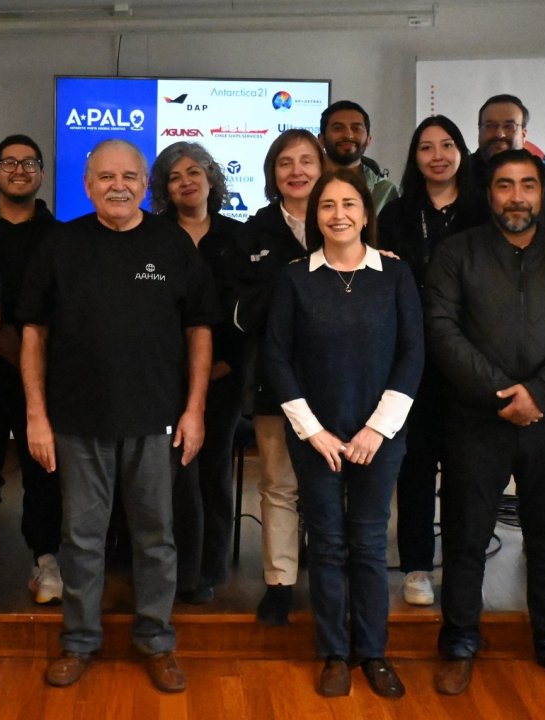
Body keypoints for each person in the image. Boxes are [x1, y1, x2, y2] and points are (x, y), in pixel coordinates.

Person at [20, 139, 217, 693]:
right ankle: (79, 641)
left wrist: (195, 409)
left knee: (156, 538)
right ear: (88, 186)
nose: (118, 186)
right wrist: (36, 415)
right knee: (81, 539)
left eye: (129, 176)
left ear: (144, 185)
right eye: (106, 177)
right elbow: (33, 332)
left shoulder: (172, 244)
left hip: (157, 421)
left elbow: (200, 329)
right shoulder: (61, 244)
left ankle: (156, 640)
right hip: (76, 421)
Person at [425, 149, 545, 696]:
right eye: (505, 185)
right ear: (489, 193)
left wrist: (541, 392)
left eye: (527, 185)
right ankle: (460, 642)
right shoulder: (457, 253)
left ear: (541, 194)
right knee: (465, 537)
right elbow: (441, 328)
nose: (516, 197)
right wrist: (503, 393)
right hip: (475, 419)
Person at [264, 168, 423, 698]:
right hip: (317, 438)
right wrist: (313, 432)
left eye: (349, 204)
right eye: (327, 205)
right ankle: (333, 652)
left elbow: (412, 354)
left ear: (365, 212)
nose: (338, 214)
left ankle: (373, 652)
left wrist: (377, 429)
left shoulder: (394, 274)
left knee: (370, 544)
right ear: (316, 216)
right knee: (328, 545)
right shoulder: (295, 277)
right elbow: (277, 358)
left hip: (380, 435)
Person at [375, 115, 488, 608]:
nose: (437, 156)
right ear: (414, 157)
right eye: (426, 147)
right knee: (415, 466)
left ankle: (464, 567)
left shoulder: (483, 210)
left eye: (446, 145)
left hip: (472, 355)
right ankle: (417, 565)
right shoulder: (397, 214)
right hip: (413, 356)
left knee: (467, 470)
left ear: (461, 151)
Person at [0, 134, 64, 607]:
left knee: (45, 468)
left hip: (44, 375)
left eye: (29, 163)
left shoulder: (61, 236)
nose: (19, 170)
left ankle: (46, 559)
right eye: (9, 163)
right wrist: (6, 344)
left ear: (41, 173)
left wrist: (33, 354)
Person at [232, 128, 324, 626]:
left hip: (337, 381)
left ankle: (331, 575)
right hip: (275, 380)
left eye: (307, 160)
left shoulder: (344, 220)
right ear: (272, 173)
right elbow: (240, 315)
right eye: (285, 162)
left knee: (332, 485)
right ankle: (280, 582)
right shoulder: (253, 232)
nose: (297, 171)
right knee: (278, 484)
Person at [149, 141, 245, 604]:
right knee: (164, 479)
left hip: (224, 376)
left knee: (211, 473)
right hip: (162, 380)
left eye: (194, 171)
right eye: (174, 176)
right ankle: (168, 569)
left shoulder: (238, 238)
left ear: (211, 178)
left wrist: (224, 365)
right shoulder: (151, 236)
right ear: (164, 189)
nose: (185, 181)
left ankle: (208, 570)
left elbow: (248, 314)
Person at [465, 94, 545, 231]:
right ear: (479, 131)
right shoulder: (459, 174)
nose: (499, 134)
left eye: (509, 126)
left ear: (523, 134)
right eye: (490, 126)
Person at [318, 100, 398, 211]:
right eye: (338, 128)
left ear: (368, 140)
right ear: (321, 139)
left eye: (356, 129)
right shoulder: (305, 184)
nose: (348, 135)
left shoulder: (385, 191)